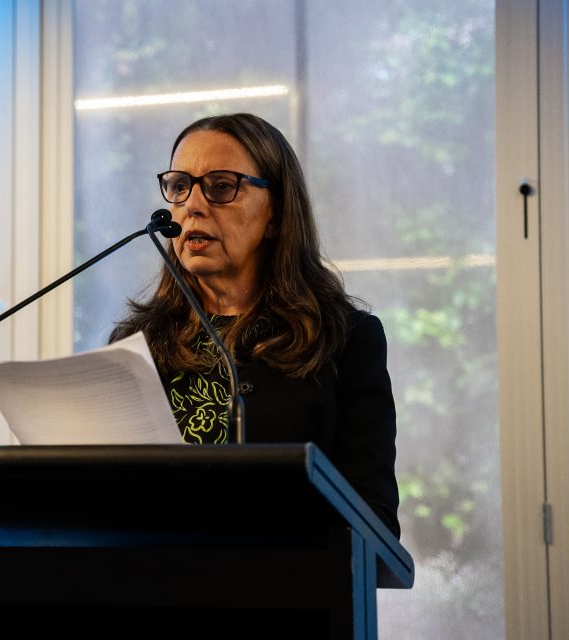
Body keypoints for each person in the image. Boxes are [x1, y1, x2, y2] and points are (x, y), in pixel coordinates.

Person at [110, 113, 401, 537]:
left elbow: (374, 521)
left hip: (284, 592)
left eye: (221, 187)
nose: (192, 205)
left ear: (276, 215)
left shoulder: (346, 340)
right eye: (179, 187)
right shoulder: (135, 345)